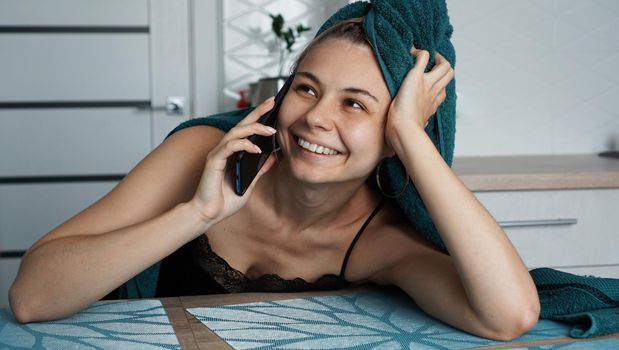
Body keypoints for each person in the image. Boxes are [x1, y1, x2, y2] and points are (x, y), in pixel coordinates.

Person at [8, 14, 540, 341]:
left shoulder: (378, 243)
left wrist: (411, 132)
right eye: (306, 88)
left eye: (356, 104)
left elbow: (508, 316)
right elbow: (32, 298)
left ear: (395, 140)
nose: (315, 118)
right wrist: (196, 214)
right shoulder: (201, 153)